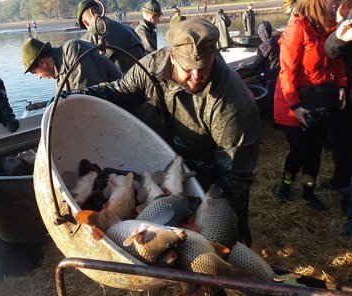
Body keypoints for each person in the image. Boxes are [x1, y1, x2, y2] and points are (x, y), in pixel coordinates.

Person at [73, 19, 260, 247]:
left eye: (202, 68)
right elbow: (118, 93)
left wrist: (227, 224)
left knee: (220, 232)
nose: (196, 76)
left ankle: (236, 249)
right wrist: (69, 98)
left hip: (209, 170)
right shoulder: (152, 66)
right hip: (163, 157)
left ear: (214, 55)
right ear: (172, 56)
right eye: (188, 69)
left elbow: (234, 177)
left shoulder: (230, 103)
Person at [272, 0, 347, 211]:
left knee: (314, 151)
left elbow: (338, 60)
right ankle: (286, 184)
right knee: (299, 150)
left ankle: (308, 192)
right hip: (291, 102)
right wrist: (295, 106)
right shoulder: (296, 30)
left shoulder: (333, 27)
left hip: (319, 100)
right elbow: (287, 72)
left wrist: (341, 85)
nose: (338, 2)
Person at [325, 1, 352, 235]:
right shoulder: (346, 17)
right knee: (339, 142)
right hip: (347, 97)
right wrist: (339, 35)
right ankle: (342, 184)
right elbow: (332, 50)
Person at [21, 37, 122, 91]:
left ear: (42, 63)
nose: (39, 77)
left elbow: (89, 98)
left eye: (35, 73)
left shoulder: (73, 50)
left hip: (125, 110)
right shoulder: (60, 78)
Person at [77, 0, 145, 73]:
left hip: (120, 83)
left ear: (85, 22)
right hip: (143, 79)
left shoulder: (88, 39)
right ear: (101, 12)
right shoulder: (129, 29)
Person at [238, 21, 280, 117]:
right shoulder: (277, 40)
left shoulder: (265, 45)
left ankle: (271, 118)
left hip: (271, 76)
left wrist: (243, 66)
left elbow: (256, 64)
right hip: (279, 73)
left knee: (271, 100)